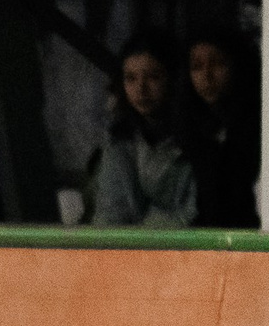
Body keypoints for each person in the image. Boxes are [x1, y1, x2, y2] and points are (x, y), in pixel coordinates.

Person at [87, 32, 197, 226]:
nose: (141, 89)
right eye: (130, 78)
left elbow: (195, 213)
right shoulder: (119, 139)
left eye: (153, 77)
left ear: (173, 78)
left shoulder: (199, 138)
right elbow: (110, 212)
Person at [182, 26, 260, 228]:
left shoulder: (260, 125)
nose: (206, 75)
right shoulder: (184, 126)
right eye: (197, 66)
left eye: (218, 63)